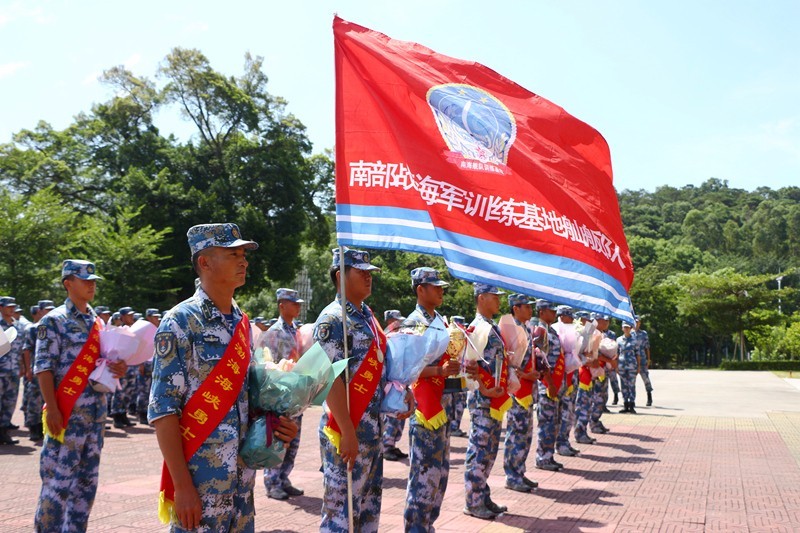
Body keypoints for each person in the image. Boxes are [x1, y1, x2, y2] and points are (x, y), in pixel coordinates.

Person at [149, 223, 297, 532]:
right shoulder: (180, 322)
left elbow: (246, 398)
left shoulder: (242, 323)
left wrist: (275, 422)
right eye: (233, 254)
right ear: (204, 262)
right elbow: (163, 411)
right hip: (200, 481)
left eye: (244, 254)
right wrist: (182, 486)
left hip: (242, 479)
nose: (243, 261)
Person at [314, 248, 414, 532]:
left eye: (370, 273)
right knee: (341, 513)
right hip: (345, 429)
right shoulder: (332, 320)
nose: (369, 278)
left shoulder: (367, 316)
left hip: (371, 429)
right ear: (339, 276)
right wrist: (346, 430)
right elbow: (329, 377)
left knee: (368, 508)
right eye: (361, 272)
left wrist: (402, 391)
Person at [33, 260, 128, 531]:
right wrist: (52, 408)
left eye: (93, 280)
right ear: (68, 284)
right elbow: (44, 367)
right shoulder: (53, 321)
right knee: (56, 483)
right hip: (65, 414)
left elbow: (107, 361)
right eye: (85, 280)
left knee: (86, 484)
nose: (91, 285)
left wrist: (118, 367)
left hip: (95, 416)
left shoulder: (98, 322)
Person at [403, 267, 460, 531]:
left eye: (441, 286)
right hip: (425, 408)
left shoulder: (439, 320)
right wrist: (439, 370)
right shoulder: (413, 323)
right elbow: (407, 368)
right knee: (423, 477)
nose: (440, 290)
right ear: (420, 290)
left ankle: (427, 526)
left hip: (443, 405)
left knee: (439, 476)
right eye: (434, 286)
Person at [464, 283, 512, 520]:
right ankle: (473, 501)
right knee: (479, 450)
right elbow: (468, 365)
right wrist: (484, 388)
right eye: (494, 296)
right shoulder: (477, 327)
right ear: (481, 298)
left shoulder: (491, 326)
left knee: (490, 450)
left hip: (493, 399)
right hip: (483, 400)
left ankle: (482, 495)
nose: (498, 300)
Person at [263, 288, 306, 501]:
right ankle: (272, 482)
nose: (298, 306)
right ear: (282, 305)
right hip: (280, 398)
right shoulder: (273, 333)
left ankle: (284, 478)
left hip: (297, 396)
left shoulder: (297, 331)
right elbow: (267, 365)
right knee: (279, 440)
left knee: (294, 441)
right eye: (294, 303)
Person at [503, 293, 539, 493]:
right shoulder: (510, 330)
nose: (530, 309)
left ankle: (519, 472)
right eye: (526, 306)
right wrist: (526, 375)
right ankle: (512, 475)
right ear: (515, 308)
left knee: (525, 434)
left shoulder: (526, 329)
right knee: (516, 433)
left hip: (527, 390)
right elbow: (508, 365)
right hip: (517, 391)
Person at [533, 299, 566, 472]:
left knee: (554, 422)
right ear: (541, 312)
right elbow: (539, 361)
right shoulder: (540, 331)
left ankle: (548, 455)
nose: (554, 313)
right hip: (546, 384)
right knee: (546, 423)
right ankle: (542, 458)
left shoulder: (550, 330)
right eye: (550, 311)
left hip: (554, 383)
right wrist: (550, 384)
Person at [21, 300, 56, 442]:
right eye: (47, 310)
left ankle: (45, 426)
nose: (49, 312)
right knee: (34, 400)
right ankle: (33, 428)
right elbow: (26, 350)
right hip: (38, 370)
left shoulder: (56, 327)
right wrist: (28, 369)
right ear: (40, 311)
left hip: (52, 370)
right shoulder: (34, 328)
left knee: (47, 399)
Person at [381, 309, 408, 461]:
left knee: (399, 415)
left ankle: (392, 444)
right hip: (390, 384)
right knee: (391, 416)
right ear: (389, 321)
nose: (399, 323)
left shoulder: (400, 336)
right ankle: (386, 446)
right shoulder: (386, 336)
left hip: (400, 383)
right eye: (396, 320)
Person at [555, 305, 581, 458]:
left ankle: (565, 441)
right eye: (570, 316)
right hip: (559, 379)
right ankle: (560, 444)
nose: (572, 319)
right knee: (561, 415)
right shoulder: (555, 330)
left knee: (569, 413)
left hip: (571, 377)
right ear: (563, 316)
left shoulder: (571, 331)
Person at [0, 296, 25, 444]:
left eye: (13, 306)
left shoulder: (19, 326)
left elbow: (22, 350)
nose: (11, 309)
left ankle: (4, 432)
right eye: (8, 306)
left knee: (10, 402)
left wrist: (23, 366)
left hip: (14, 371)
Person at [110, 306, 137, 429]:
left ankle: (124, 414)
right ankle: (117, 416)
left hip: (132, 365)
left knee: (129, 391)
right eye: (129, 315)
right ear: (122, 317)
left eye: (132, 315)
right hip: (120, 366)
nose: (131, 317)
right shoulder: (117, 331)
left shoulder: (135, 329)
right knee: (119, 392)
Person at [134, 308, 160, 425]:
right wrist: (140, 363)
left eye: (157, 317)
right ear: (148, 317)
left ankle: (149, 414)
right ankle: (142, 414)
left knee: (151, 390)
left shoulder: (158, 328)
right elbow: (139, 349)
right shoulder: (145, 329)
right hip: (145, 363)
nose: (157, 319)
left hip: (154, 364)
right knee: (143, 390)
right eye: (154, 317)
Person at [447, 315, 468, 438]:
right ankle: (452, 426)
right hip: (452, 376)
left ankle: (456, 426)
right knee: (453, 403)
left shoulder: (465, 337)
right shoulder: (451, 336)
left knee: (460, 403)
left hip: (463, 375)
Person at [617, 323, 638, 414]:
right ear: (622, 328)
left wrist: (639, 367)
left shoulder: (634, 340)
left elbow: (638, 354)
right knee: (624, 386)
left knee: (632, 385)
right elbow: (616, 354)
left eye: (628, 327)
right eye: (624, 327)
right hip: (621, 365)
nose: (626, 329)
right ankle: (625, 404)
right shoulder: (618, 340)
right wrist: (616, 366)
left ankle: (632, 405)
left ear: (630, 328)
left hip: (632, 366)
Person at [634, 315, 654, 406]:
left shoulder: (643, 334)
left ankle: (649, 396)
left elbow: (647, 347)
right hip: (631, 360)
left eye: (637, 322)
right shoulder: (629, 333)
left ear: (640, 323)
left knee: (646, 379)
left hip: (642, 359)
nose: (636, 324)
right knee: (631, 381)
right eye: (634, 321)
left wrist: (648, 359)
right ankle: (630, 400)